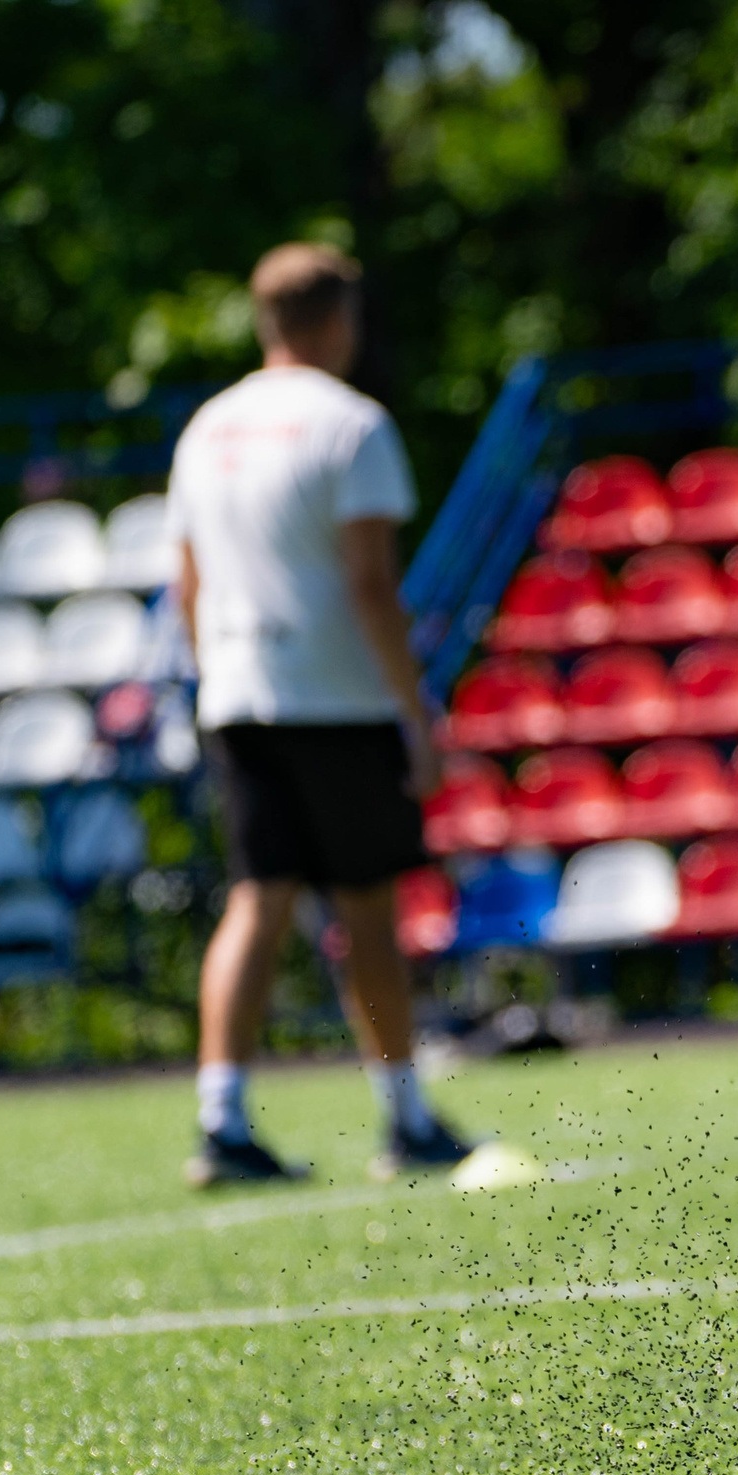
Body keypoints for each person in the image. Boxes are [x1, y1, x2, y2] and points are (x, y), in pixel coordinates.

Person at [167, 242, 475, 1187]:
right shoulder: (352, 425)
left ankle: (221, 1119)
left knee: (257, 901)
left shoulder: (206, 428)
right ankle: (406, 1117)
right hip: (336, 697)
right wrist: (415, 716)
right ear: (338, 320)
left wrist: (212, 674)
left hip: (237, 692)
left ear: (266, 321)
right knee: (367, 907)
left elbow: (186, 584)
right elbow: (372, 586)